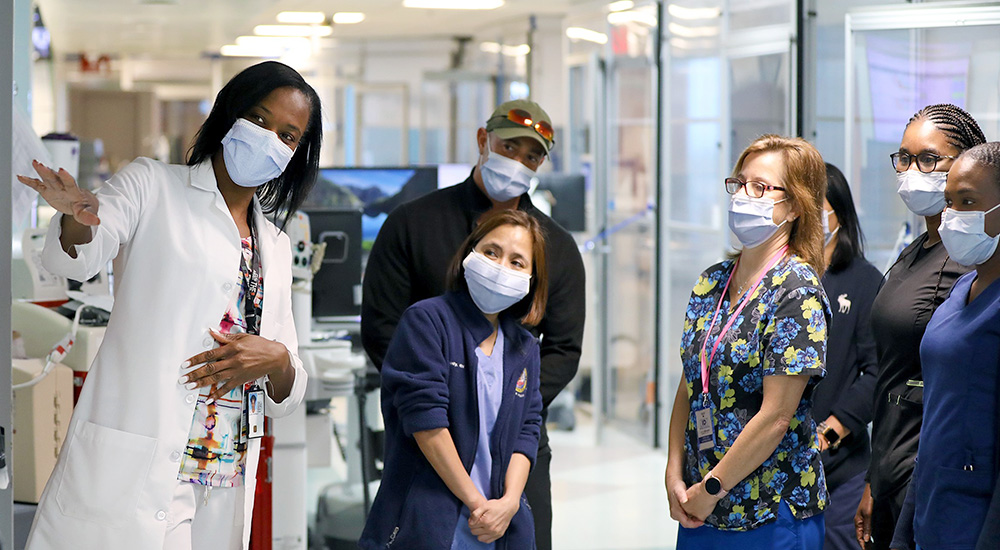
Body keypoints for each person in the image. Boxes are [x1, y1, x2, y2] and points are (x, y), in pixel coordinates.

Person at [17, 61, 320, 550]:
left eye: (287, 135)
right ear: (230, 115)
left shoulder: (277, 246)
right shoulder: (152, 185)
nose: (269, 139)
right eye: (260, 120)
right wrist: (78, 218)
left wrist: (278, 359)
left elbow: (288, 386)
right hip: (139, 457)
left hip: (224, 469)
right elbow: (81, 254)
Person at [361, 98, 585, 550]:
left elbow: (563, 349)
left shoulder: (556, 248)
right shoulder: (412, 223)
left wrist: (509, 404)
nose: (519, 162)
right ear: (484, 140)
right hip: (428, 445)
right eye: (509, 147)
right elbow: (382, 327)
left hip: (516, 450)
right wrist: (440, 397)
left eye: (532, 155)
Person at [665, 134, 831, 549]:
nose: (743, 196)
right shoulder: (712, 282)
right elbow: (691, 383)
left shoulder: (796, 290)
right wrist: (674, 469)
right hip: (699, 506)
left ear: (793, 206)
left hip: (768, 510)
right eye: (739, 184)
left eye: (760, 187)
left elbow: (776, 417)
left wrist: (713, 488)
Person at [359, 210, 546, 550]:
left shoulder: (524, 347)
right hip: (431, 520)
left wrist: (509, 503)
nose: (501, 266)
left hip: (502, 524)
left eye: (518, 262)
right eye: (491, 252)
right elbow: (426, 423)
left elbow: (528, 429)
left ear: (532, 280)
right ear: (469, 253)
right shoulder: (427, 321)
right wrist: (478, 506)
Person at [854, 104, 985, 550]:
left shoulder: (970, 263)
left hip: (927, 473)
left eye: (928, 159)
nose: (912, 171)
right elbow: (891, 371)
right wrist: (874, 479)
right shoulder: (916, 251)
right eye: (904, 158)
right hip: (890, 465)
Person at [886, 142, 1000, 550]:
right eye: (949, 202)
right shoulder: (962, 290)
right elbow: (935, 426)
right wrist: (904, 533)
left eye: (968, 202)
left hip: (976, 523)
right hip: (932, 513)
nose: (952, 216)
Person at [810, 163, 882, 550]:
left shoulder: (864, 280)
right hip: (777, 471)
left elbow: (875, 373)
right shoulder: (784, 277)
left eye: (816, 203)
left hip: (841, 470)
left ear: (839, 211)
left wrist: (827, 433)